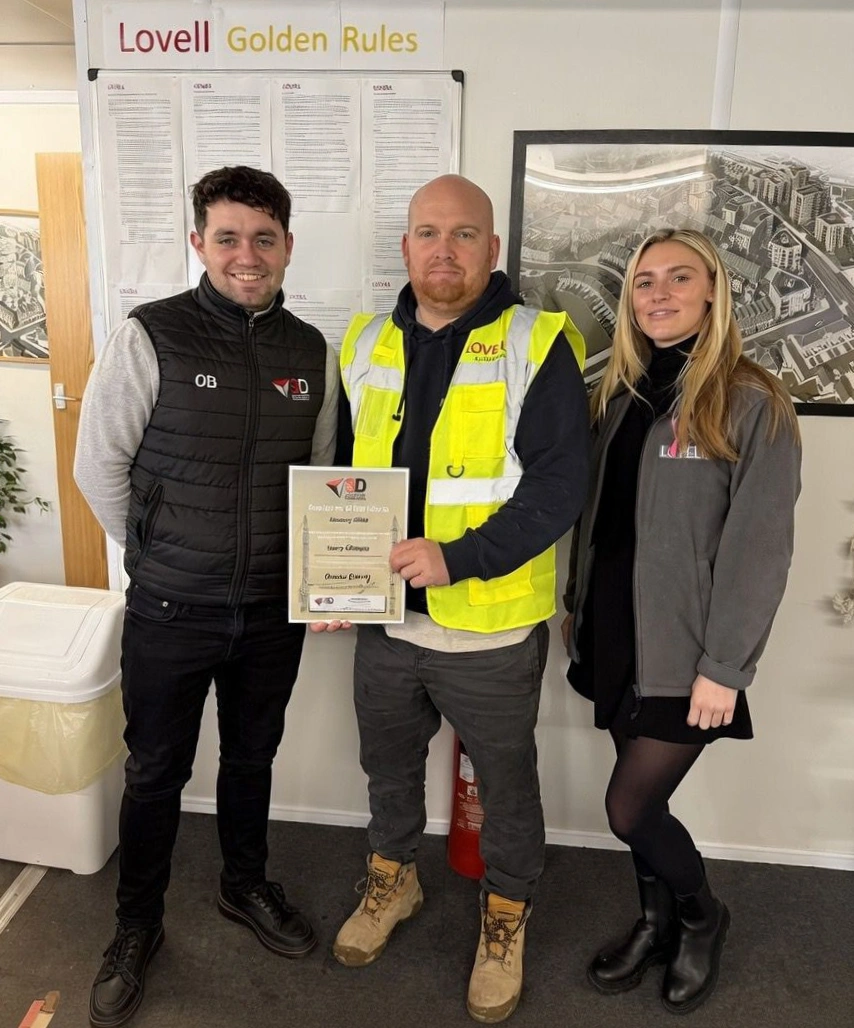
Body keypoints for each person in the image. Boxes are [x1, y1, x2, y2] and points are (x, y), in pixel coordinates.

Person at [318, 174, 589, 1023]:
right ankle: (392, 882)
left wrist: (460, 558)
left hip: (492, 629)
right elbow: (336, 477)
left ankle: (505, 919)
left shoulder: (538, 339)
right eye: (428, 233)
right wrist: (327, 578)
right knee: (386, 768)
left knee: (506, 786)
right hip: (386, 626)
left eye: (464, 234)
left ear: (493, 249)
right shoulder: (362, 339)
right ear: (404, 247)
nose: (444, 249)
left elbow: (558, 488)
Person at [74, 166, 338, 1028]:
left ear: (289, 246)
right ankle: (134, 926)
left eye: (264, 238)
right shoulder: (151, 336)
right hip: (170, 611)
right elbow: (98, 467)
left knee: (252, 760)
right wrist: (156, 555)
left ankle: (243, 884)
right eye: (227, 237)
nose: (246, 254)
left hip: (270, 612)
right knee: (155, 772)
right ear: (198, 243)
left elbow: (325, 478)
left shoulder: (312, 352)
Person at [563, 228, 801, 1014]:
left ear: (711, 291)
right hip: (613, 631)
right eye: (643, 282)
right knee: (646, 806)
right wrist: (576, 610)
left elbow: (758, 552)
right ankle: (653, 919)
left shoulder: (752, 400)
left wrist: (724, 669)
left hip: (686, 650)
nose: (658, 294)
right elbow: (602, 521)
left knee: (628, 807)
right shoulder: (622, 393)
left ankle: (702, 915)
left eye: (678, 279)